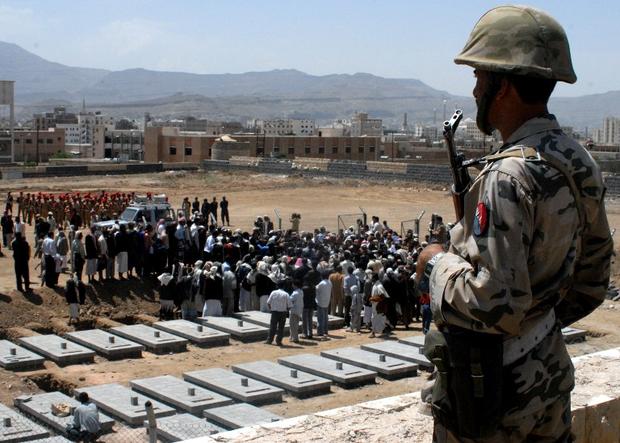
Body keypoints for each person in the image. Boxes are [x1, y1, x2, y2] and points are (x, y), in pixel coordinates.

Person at [417, 5, 613, 442]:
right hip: (548, 381)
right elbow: (593, 278)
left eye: (478, 77)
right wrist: (537, 325)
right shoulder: (578, 159)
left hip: (491, 399)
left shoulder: (507, 175)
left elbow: (495, 302)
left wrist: (435, 264)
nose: (474, 90)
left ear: (501, 85)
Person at [265, 279, 292, 346]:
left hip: (274, 312)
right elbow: (290, 305)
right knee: (281, 328)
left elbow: (268, 302)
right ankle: (278, 341)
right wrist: (286, 311)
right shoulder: (286, 294)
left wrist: (271, 309)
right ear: (284, 286)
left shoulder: (273, 292)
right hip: (283, 313)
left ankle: (269, 340)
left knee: (272, 327)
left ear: (277, 286)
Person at [315, 272, 332, 337]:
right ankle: (325, 330)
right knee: (325, 317)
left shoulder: (321, 283)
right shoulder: (330, 283)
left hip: (320, 302)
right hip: (327, 302)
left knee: (320, 318)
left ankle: (320, 332)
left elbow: (316, 288)